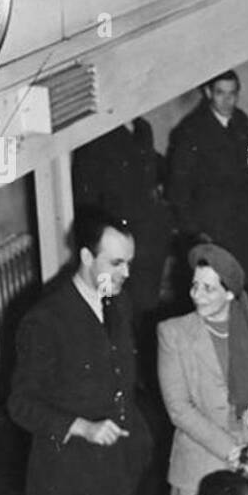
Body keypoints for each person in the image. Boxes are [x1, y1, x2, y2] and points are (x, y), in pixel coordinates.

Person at [8, 207, 153, 495]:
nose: (125, 273)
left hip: (115, 470)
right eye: (115, 263)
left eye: (129, 262)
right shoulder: (45, 319)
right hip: (68, 479)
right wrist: (82, 427)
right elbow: (20, 404)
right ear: (87, 256)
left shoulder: (117, 302)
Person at [158, 243, 248, 495]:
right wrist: (232, 452)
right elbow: (178, 408)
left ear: (229, 294)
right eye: (195, 285)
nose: (197, 295)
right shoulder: (173, 332)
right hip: (202, 461)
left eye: (208, 288)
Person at [166, 71, 248, 288]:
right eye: (221, 93)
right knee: (220, 288)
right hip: (213, 227)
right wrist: (195, 233)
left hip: (245, 221)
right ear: (208, 92)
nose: (227, 100)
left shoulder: (241, 120)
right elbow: (178, 189)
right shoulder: (190, 130)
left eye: (233, 93)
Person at [71, 118, 174, 336]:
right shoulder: (95, 137)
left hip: (148, 243)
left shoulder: (143, 128)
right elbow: (85, 202)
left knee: (146, 309)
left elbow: (151, 165)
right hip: (116, 247)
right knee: (119, 315)